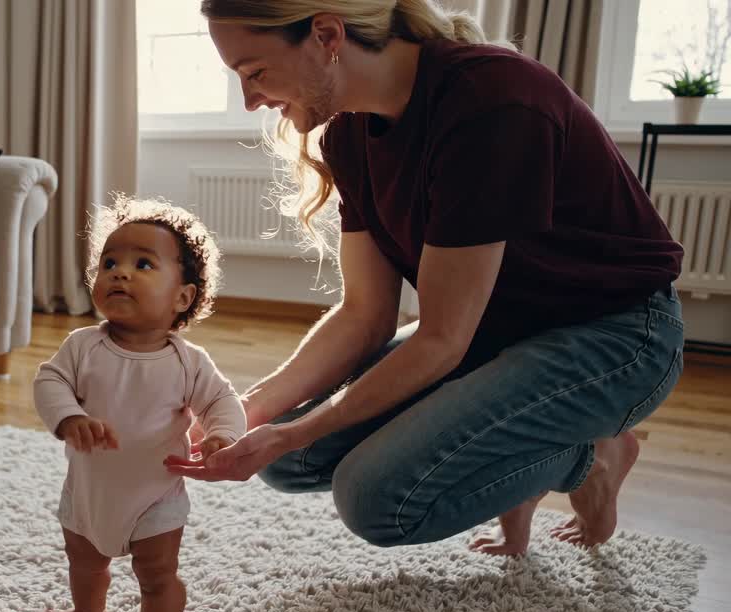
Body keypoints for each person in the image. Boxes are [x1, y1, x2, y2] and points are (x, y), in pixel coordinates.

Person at [164, 0, 685, 557]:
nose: (251, 102)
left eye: (255, 72)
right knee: (285, 460)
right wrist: (247, 411)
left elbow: (441, 339)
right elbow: (364, 315)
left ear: (325, 35)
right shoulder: (350, 137)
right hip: (493, 332)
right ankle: (528, 433)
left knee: (374, 498)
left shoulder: (490, 101)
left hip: (618, 333)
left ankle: (592, 457)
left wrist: (296, 429)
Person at [33, 195, 247, 612]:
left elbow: (221, 401)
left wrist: (221, 435)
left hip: (155, 497)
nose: (120, 272)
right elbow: (50, 381)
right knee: (85, 561)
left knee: (157, 575)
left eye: (143, 263)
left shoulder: (187, 362)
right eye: (109, 262)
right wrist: (69, 417)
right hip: (90, 490)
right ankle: (88, 611)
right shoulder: (82, 346)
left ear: (182, 297)